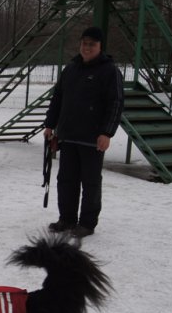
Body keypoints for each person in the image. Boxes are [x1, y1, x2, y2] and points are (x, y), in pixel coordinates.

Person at [43, 26, 124, 238]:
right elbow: (57, 98)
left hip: (93, 138)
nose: (87, 48)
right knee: (66, 179)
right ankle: (67, 219)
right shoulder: (70, 69)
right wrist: (50, 125)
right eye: (84, 43)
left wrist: (107, 133)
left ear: (100, 47)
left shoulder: (110, 71)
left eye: (92, 44)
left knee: (90, 182)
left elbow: (115, 104)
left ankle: (87, 223)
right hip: (68, 135)